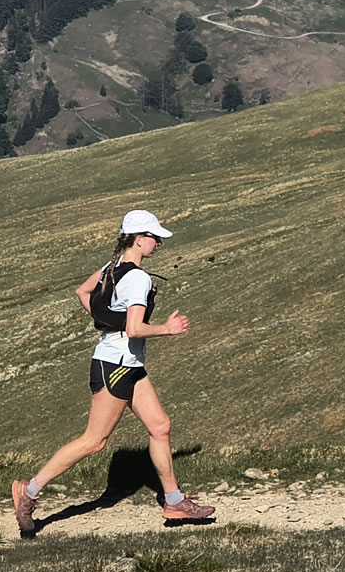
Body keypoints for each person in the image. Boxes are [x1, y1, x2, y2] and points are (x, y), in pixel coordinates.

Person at [12, 209, 216, 534]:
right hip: (116, 366)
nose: (158, 243)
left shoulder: (112, 268)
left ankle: (174, 501)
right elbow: (135, 329)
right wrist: (167, 328)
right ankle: (30, 491)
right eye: (154, 237)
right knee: (94, 441)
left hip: (126, 363)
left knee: (160, 426)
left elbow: (83, 292)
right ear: (139, 238)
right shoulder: (137, 277)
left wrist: (110, 325)